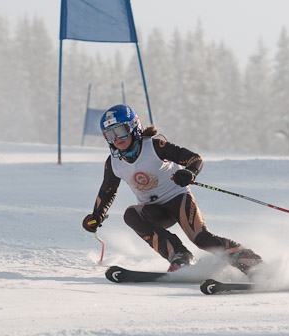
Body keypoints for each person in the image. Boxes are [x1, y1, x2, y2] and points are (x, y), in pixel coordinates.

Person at [82, 104, 262, 273]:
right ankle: (181, 257)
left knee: (201, 239)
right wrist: (97, 215)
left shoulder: (154, 146)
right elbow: (108, 190)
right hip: (154, 211)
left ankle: (252, 264)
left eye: (120, 131)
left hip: (178, 200)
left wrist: (189, 172)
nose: (116, 139)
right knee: (131, 215)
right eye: (109, 135)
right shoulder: (114, 162)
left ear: (133, 127)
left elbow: (195, 159)